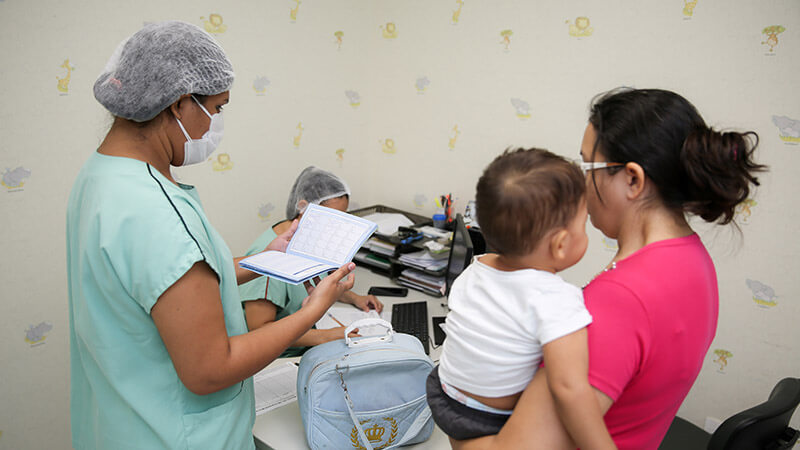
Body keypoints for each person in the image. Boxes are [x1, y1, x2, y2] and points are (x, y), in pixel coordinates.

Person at [66, 21, 356, 449]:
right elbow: (210, 370)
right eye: (217, 109)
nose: (215, 125)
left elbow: (162, 282)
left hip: (117, 425)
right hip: (176, 437)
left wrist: (268, 258)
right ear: (180, 104)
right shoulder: (157, 213)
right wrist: (312, 310)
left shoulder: (100, 176)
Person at [454, 88, 766, 450]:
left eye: (587, 168)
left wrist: (452, 408)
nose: (580, 186)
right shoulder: (694, 260)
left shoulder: (618, 300)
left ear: (632, 179)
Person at [426, 148, 616, 449]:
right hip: (485, 419)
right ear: (560, 244)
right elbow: (569, 388)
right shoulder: (557, 298)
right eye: (584, 224)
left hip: (442, 394)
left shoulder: (476, 267)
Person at [239, 166, 383, 356]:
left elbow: (319, 287)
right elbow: (258, 330)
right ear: (303, 208)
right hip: (279, 356)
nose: (337, 228)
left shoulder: (309, 243)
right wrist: (325, 336)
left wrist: (355, 298)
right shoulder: (269, 255)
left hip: (310, 336)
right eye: (331, 218)